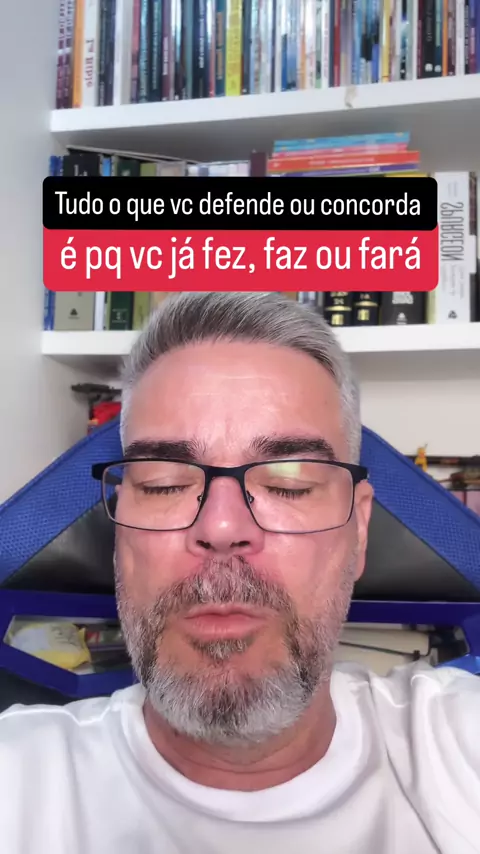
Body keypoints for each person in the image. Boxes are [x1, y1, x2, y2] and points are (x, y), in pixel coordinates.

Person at [0, 291, 478, 854]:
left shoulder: (457, 744)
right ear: (119, 529)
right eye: (163, 484)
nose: (222, 527)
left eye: (289, 483)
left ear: (359, 531)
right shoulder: (20, 780)